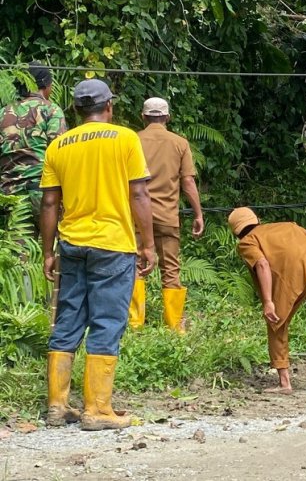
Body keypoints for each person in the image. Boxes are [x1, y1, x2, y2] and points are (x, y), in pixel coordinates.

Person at [40, 79, 156, 430]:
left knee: (68, 320)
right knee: (107, 321)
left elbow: (49, 202)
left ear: (76, 110)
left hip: (72, 245)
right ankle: (97, 410)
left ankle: (57, 406)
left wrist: (48, 251)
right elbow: (139, 195)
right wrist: (148, 244)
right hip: (113, 245)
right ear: (109, 106)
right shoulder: (125, 138)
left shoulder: (59, 146)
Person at [227, 207, 306, 395]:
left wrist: (268, 301)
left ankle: (285, 384)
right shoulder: (288, 225)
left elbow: (262, 264)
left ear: (236, 232)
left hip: (293, 279)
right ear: (257, 220)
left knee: (276, 323)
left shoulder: (247, 241)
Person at [128, 97, 204, 332]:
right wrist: (198, 214)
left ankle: (135, 323)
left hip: (136, 216)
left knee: (135, 266)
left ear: (143, 116)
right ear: (167, 117)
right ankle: (174, 325)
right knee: (170, 269)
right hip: (167, 216)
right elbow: (188, 182)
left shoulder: (133, 140)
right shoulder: (179, 143)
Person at [0, 61, 67, 226]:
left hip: (8, 193)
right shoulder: (51, 110)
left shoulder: (3, 112)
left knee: (17, 240)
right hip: (42, 193)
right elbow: (60, 152)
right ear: (46, 84)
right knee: (50, 241)